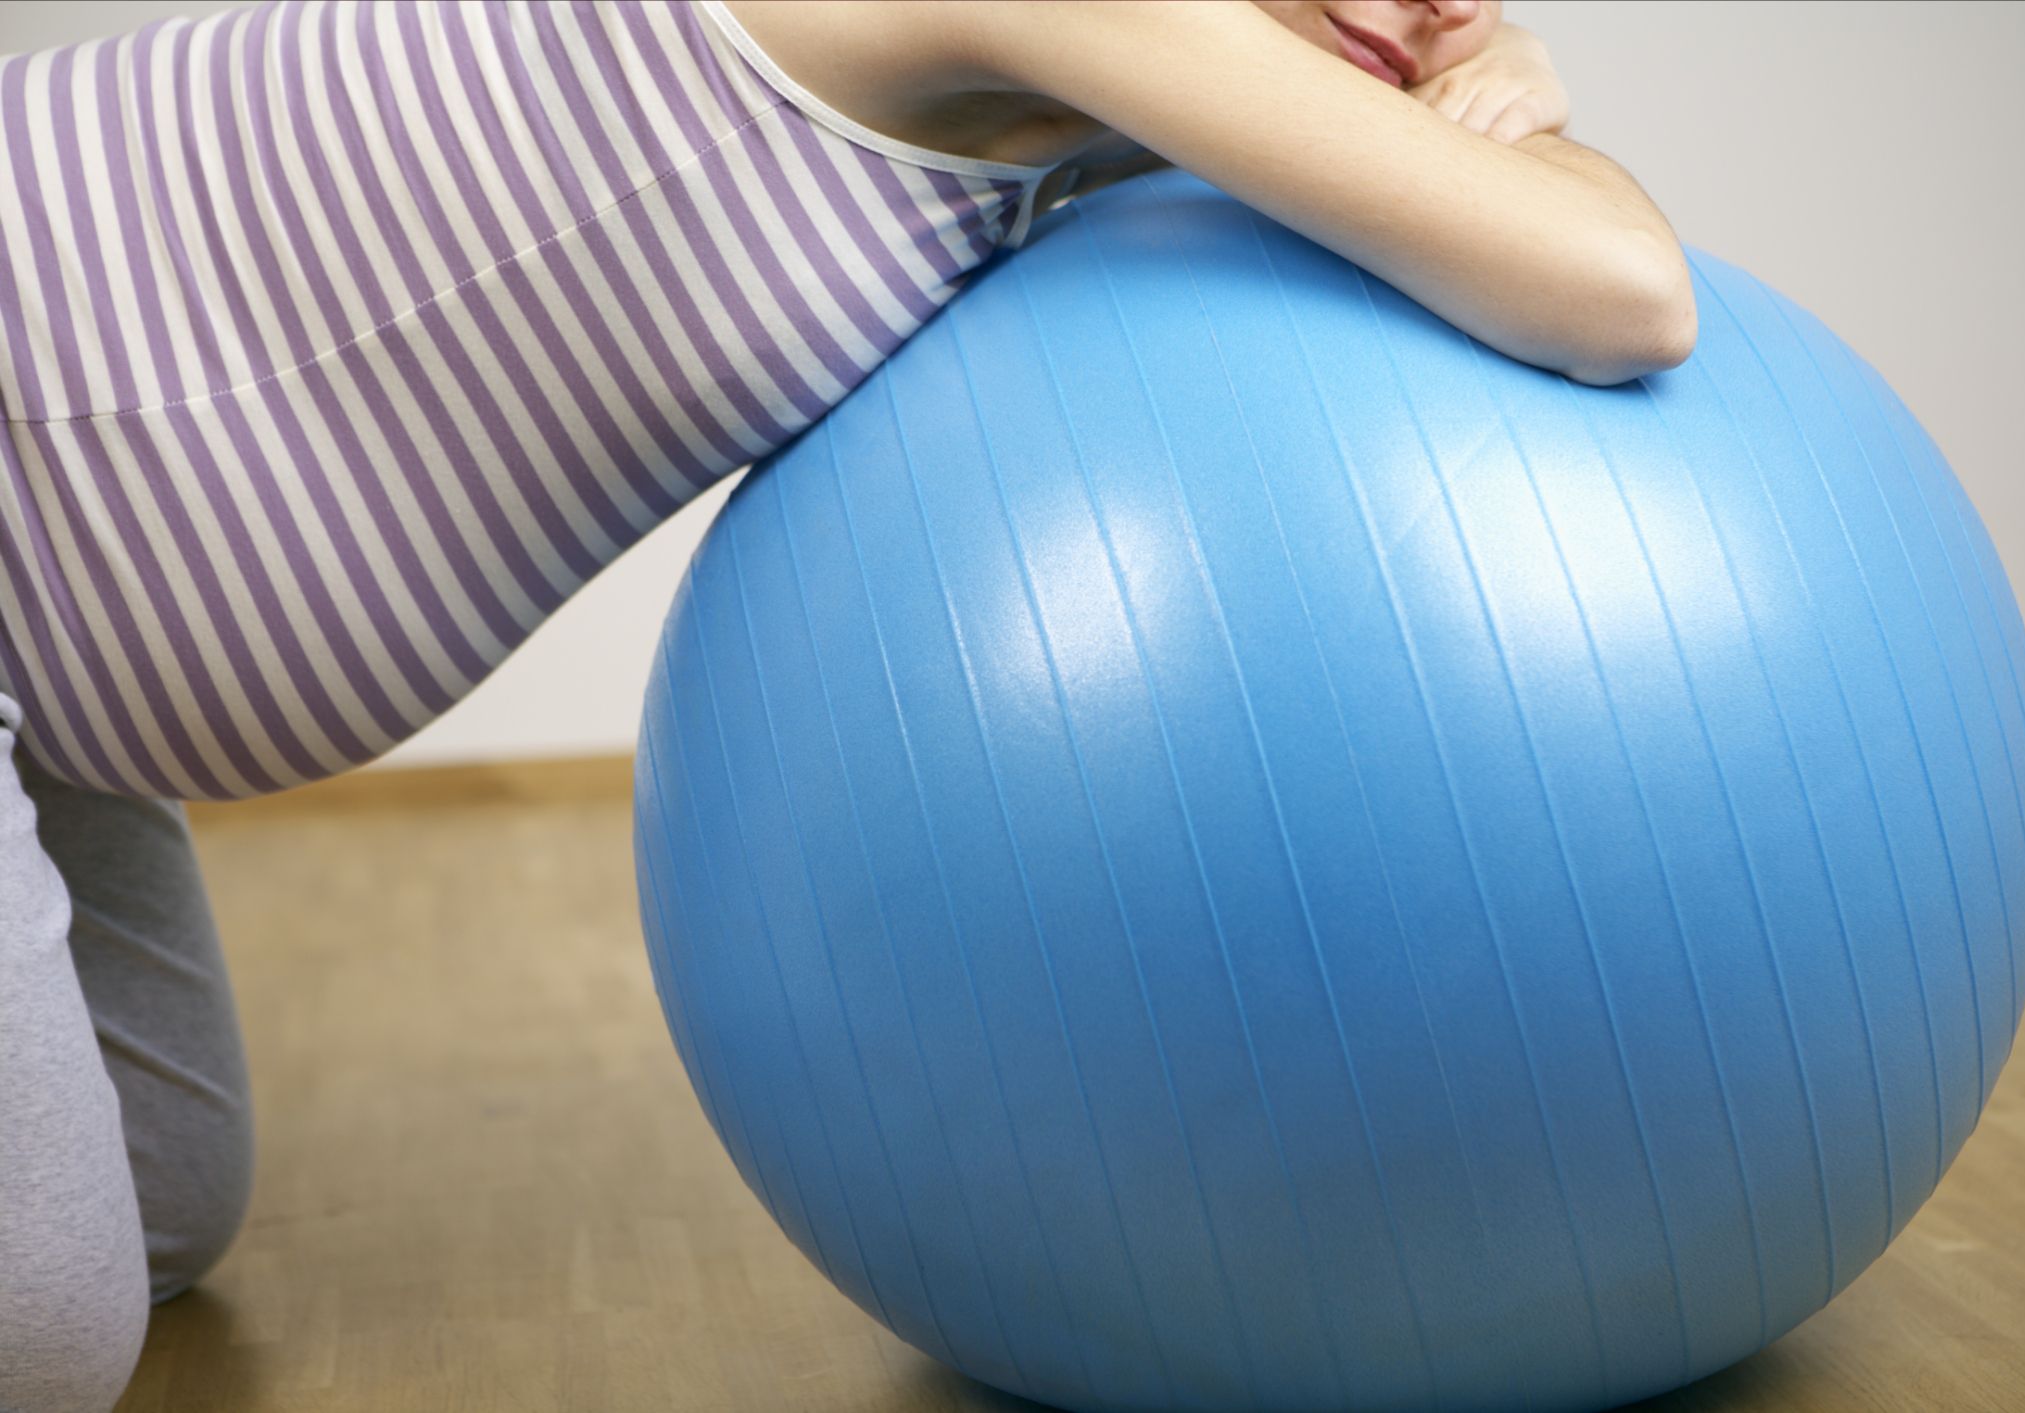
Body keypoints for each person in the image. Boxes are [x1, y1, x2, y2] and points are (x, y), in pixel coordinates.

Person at [0, 3, 1691, 1408]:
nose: (1414, 11)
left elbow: (1569, 252)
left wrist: (1512, 99)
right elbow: (1625, 294)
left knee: (158, 1202)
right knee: (51, 1332)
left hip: (47, 661)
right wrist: (1517, 136)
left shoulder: (1092, 101)